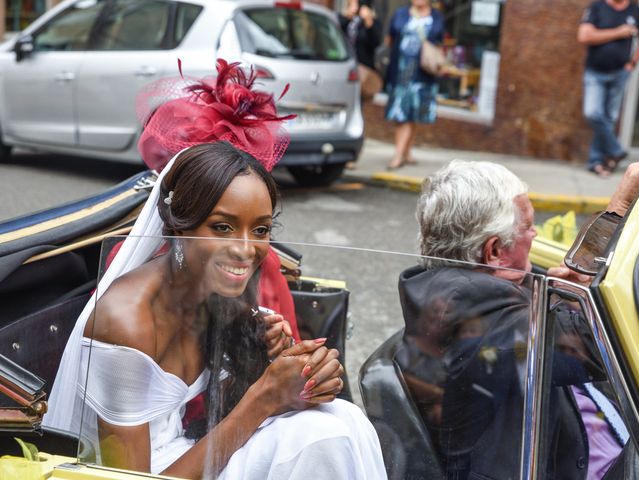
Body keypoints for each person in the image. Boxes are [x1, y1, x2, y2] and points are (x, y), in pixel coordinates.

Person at [43, 60, 387, 479]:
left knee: (344, 420)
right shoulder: (126, 320)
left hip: (195, 450)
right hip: (149, 471)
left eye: (260, 229)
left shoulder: (215, 292)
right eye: (222, 227)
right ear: (177, 228)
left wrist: (277, 364)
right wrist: (265, 396)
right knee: (318, 438)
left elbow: (217, 408)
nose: (245, 250)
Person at [397, 160, 639, 479]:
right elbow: (595, 343)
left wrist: (572, 288)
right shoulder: (464, 308)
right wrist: (620, 206)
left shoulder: (465, 285)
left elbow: (563, 305)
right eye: (528, 226)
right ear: (494, 251)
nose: (536, 232)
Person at [578, 0, 639, 178]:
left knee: (609, 117)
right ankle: (616, 149)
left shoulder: (635, 10)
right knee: (592, 113)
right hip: (595, 73)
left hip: (620, 73)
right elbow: (584, 36)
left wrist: (632, 63)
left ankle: (596, 161)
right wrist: (619, 32)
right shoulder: (598, 7)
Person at [384, 0, 445, 170]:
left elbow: (439, 43)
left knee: (414, 114)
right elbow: (389, 39)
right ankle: (398, 155)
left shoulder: (437, 17)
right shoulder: (401, 14)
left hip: (424, 74)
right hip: (401, 72)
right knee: (401, 115)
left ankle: (406, 151)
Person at [339, 0, 383, 101]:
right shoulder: (346, 18)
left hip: (363, 72)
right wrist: (347, 17)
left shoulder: (372, 22)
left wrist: (368, 22)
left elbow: (375, 43)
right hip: (344, 67)